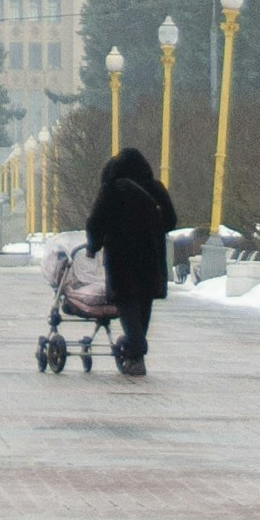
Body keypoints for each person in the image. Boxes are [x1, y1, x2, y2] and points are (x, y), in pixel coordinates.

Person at [84, 147, 179, 379]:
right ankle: (135, 353)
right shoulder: (155, 188)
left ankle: (135, 352)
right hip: (150, 257)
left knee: (127, 304)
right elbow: (171, 220)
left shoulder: (111, 191)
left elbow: (95, 223)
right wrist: (152, 226)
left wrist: (93, 246)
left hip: (121, 259)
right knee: (144, 306)